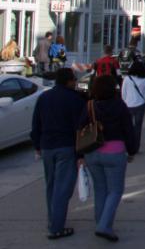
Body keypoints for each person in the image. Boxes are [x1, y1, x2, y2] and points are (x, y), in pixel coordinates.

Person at [30, 67, 84, 240]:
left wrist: (37, 145)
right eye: (74, 79)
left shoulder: (44, 97)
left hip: (47, 146)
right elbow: (80, 127)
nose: (75, 82)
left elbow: (36, 123)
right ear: (69, 81)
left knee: (51, 185)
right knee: (63, 188)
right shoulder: (75, 99)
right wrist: (81, 153)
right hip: (66, 146)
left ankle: (52, 220)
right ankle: (56, 227)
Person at [81, 75, 137, 242]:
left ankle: (102, 222)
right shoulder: (120, 106)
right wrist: (132, 150)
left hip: (92, 152)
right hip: (114, 152)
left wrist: (79, 154)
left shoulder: (90, 106)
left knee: (100, 189)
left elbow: (79, 128)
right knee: (115, 190)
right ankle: (104, 226)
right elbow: (129, 130)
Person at [121, 60, 145, 154]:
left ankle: (127, 147)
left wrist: (125, 102)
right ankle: (136, 148)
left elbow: (123, 93)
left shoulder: (127, 79)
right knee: (138, 128)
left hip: (128, 106)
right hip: (140, 106)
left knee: (127, 127)